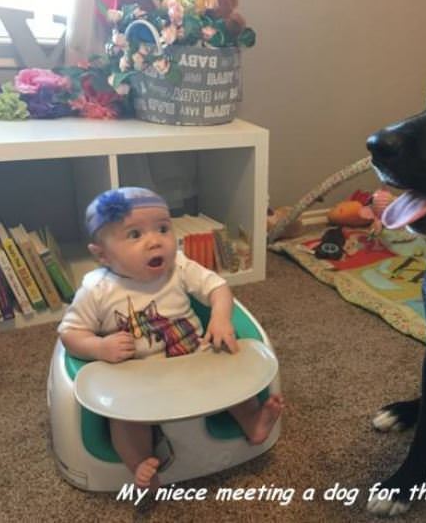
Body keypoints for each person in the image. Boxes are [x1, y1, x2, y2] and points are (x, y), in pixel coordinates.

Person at [58, 187, 284, 490]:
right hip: (136, 379)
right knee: (122, 419)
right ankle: (140, 465)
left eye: (163, 228)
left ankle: (253, 423)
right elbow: (69, 334)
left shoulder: (179, 266)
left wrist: (219, 319)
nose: (155, 241)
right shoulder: (96, 289)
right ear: (102, 254)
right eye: (135, 234)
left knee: (232, 371)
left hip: (194, 359)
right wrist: (99, 347)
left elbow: (217, 288)